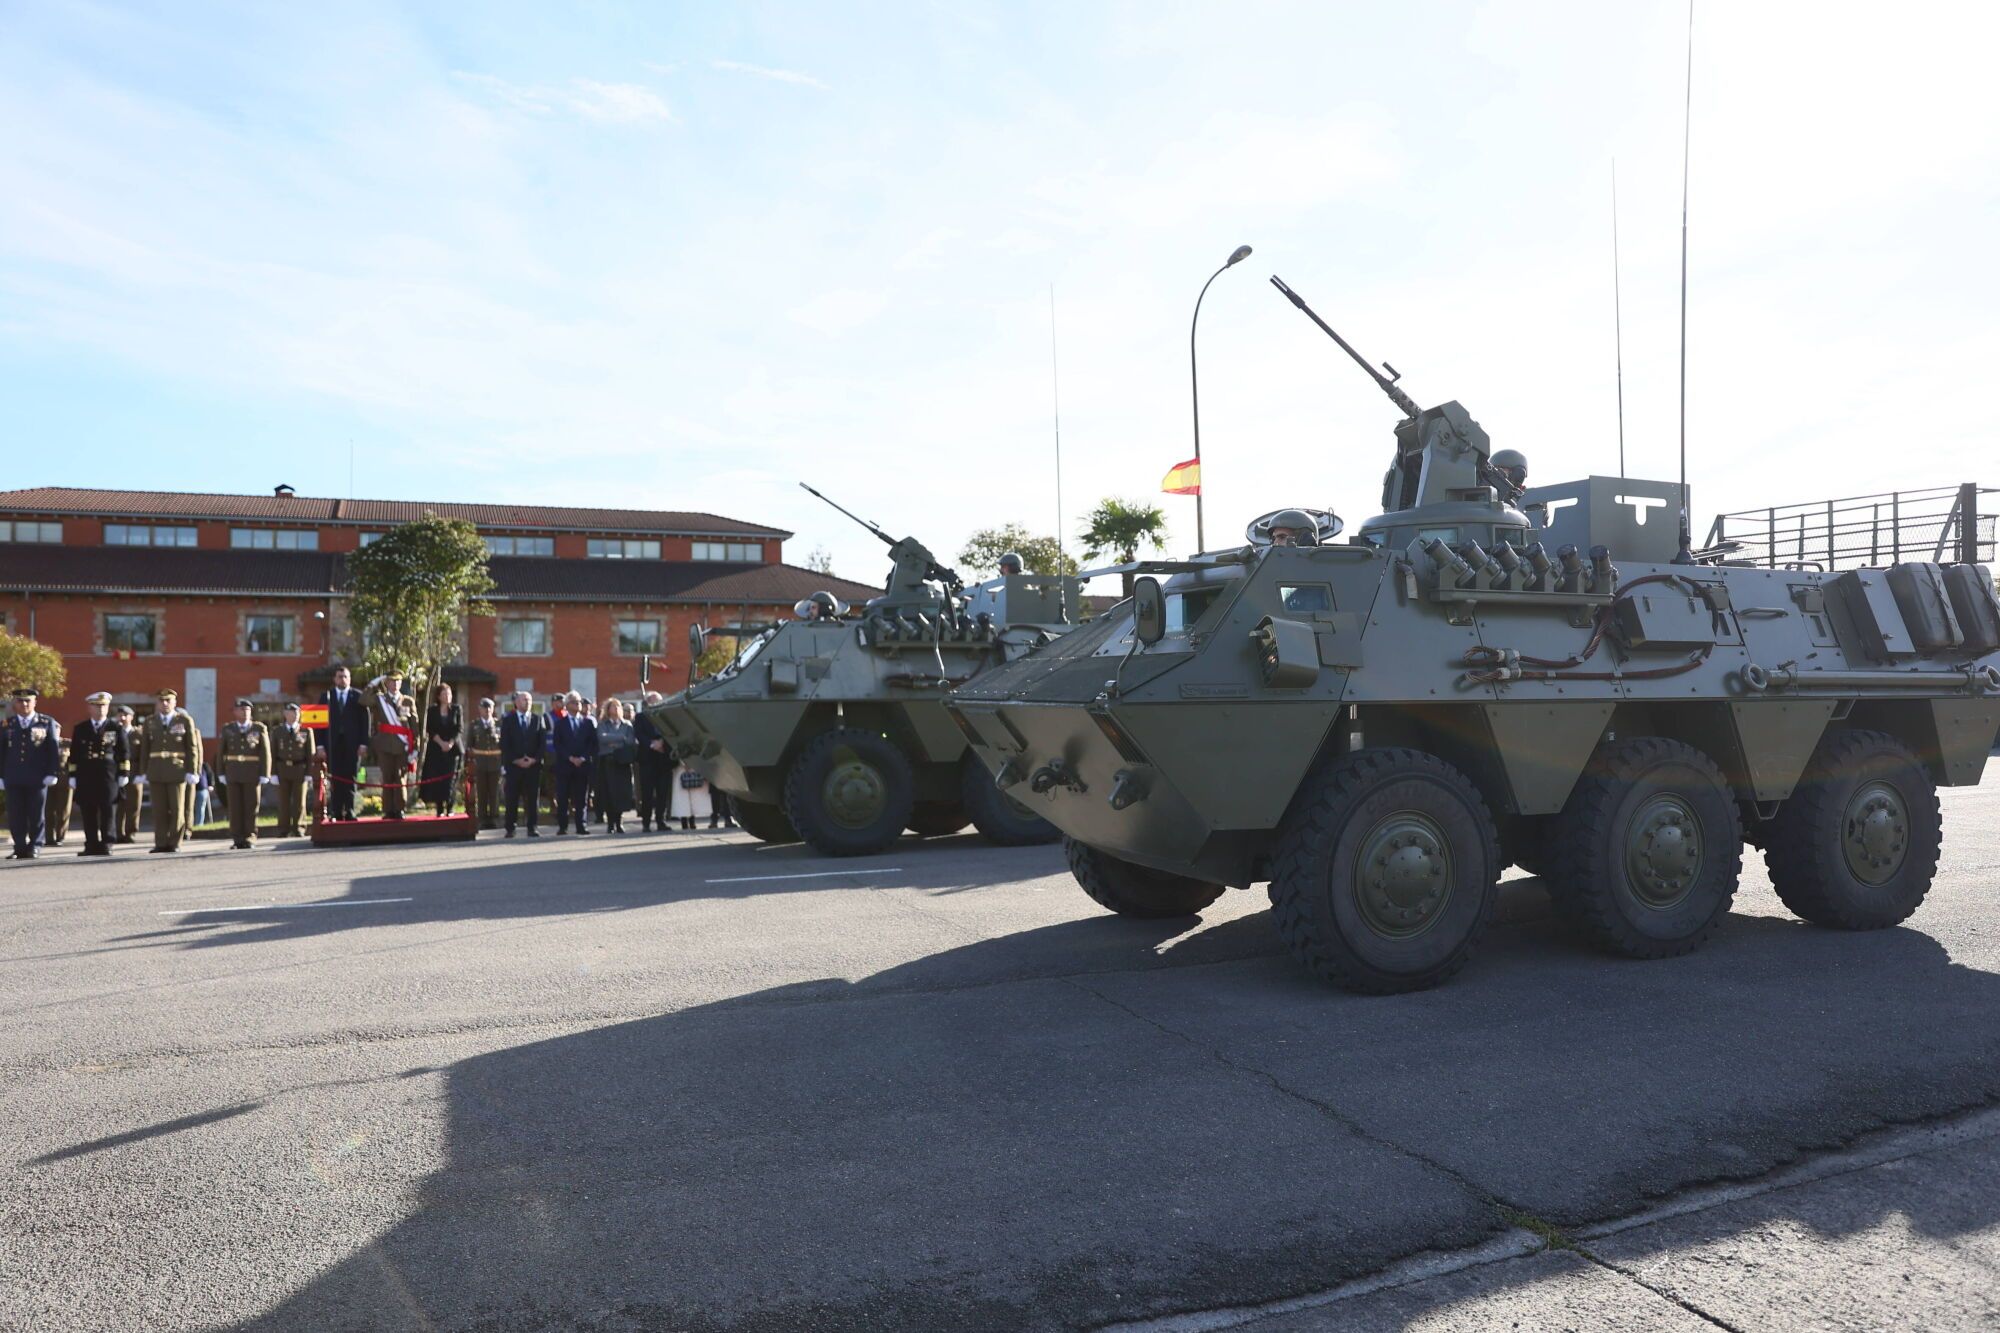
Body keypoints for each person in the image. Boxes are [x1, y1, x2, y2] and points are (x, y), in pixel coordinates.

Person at [135, 687, 200, 853]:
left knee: (177, 808)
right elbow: (144, 749)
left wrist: (192, 771)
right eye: (161, 701)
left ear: (175, 703)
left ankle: (175, 842)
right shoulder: (150, 721)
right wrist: (143, 771)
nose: (164, 704)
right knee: (159, 810)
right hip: (156, 770)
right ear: (157, 703)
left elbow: (192, 748)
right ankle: (160, 842)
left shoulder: (184, 721)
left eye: (168, 700)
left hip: (176, 770)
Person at [67, 691, 129, 857]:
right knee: (88, 810)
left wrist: (124, 772)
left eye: (104, 705)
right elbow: (74, 754)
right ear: (90, 707)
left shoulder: (115, 728)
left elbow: (123, 752)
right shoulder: (81, 728)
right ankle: (91, 844)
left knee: (108, 810)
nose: (101, 709)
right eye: (97, 705)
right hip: (86, 774)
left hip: (108, 775)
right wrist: (72, 775)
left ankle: (107, 842)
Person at [3, 687, 61, 859]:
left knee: (36, 814)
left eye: (28, 700)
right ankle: (19, 847)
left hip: (38, 778)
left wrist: (52, 772)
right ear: (15, 703)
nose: (24, 704)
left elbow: (52, 749)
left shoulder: (46, 722)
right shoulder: (7, 725)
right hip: (13, 777)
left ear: (35, 702)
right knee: (15, 814)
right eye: (20, 701)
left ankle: (35, 845)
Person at [219, 698, 273, 849]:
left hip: (252, 772)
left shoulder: (259, 728)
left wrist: (265, 772)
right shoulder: (228, 729)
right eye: (241, 709)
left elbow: (265, 752)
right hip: (233, 771)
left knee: (251, 806)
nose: (244, 712)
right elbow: (221, 752)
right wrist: (221, 772)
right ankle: (237, 839)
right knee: (235, 808)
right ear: (235, 712)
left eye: (247, 710)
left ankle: (250, 837)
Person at [367, 669, 418, 819]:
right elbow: (363, 700)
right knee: (387, 778)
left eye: (398, 681)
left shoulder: (408, 700)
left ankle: (400, 809)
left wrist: (416, 747)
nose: (395, 684)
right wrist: (375, 681)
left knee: (400, 778)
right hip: (384, 745)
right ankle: (388, 810)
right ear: (386, 683)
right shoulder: (379, 699)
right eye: (391, 681)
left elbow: (414, 725)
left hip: (402, 746)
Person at [320, 666, 370, 821]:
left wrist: (363, 743)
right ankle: (335, 811)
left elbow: (365, 722)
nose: (343, 679)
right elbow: (319, 724)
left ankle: (349, 810)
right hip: (332, 744)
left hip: (352, 745)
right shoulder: (326, 696)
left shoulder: (358, 697)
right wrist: (320, 745)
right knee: (335, 778)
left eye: (345, 677)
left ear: (350, 679)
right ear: (335, 679)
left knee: (350, 778)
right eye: (340, 677)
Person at [499, 690, 547, 838]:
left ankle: (532, 827)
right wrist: (515, 760)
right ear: (516, 702)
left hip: (533, 766)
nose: (527, 702)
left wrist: (534, 759)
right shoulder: (508, 720)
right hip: (514, 766)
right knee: (512, 798)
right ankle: (510, 828)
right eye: (524, 699)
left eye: (529, 700)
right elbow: (504, 743)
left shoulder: (537, 719)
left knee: (532, 799)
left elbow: (542, 743)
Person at [550, 690, 595, 834]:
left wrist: (582, 757)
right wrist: (570, 757)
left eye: (579, 702)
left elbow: (592, 743)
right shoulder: (560, 724)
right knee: (563, 797)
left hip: (582, 765)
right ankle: (563, 826)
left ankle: (581, 825)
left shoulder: (587, 723)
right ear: (567, 705)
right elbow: (558, 744)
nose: (578, 705)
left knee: (581, 797)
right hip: (565, 765)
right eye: (575, 702)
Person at [591, 699, 637, 833]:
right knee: (608, 792)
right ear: (608, 709)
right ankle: (610, 823)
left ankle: (619, 822)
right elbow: (602, 738)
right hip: (607, 761)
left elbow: (629, 741)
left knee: (621, 793)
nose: (616, 709)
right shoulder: (603, 724)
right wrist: (620, 738)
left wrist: (615, 741)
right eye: (613, 707)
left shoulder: (627, 725)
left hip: (622, 762)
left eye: (618, 707)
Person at [271, 703, 316, 836]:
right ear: (285, 714)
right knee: (283, 801)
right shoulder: (277, 731)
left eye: (297, 713)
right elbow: (273, 753)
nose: (295, 715)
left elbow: (310, 754)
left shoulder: (306, 731)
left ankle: (299, 828)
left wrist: (309, 772)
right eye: (292, 713)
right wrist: (273, 773)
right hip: (282, 768)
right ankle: (283, 829)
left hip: (299, 769)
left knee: (299, 801)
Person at [632, 691, 673, 832]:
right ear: (647, 703)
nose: (656, 704)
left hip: (663, 758)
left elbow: (670, 732)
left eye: (658, 701)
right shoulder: (640, 717)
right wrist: (651, 744)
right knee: (647, 793)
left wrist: (662, 743)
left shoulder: (665, 716)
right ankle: (646, 822)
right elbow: (639, 733)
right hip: (647, 759)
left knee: (663, 792)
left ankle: (661, 820)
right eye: (653, 701)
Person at [421, 683, 463, 816]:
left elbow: (459, 729)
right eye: (444, 694)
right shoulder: (432, 710)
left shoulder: (456, 709)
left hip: (453, 748)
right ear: (439, 696)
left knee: (451, 779)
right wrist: (440, 742)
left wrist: (450, 743)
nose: (447, 696)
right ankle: (439, 807)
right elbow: (430, 729)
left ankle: (450, 806)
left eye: (449, 694)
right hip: (436, 748)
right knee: (438, 778)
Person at [466, 697, 504, 830]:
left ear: (493, 709)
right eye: (484, 708)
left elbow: (503, 745)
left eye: (490, 708)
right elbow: (469, 745)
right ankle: (482, 818)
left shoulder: (499, 725)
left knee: (494, 792)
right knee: (481, 792)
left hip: (495, 763)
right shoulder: (474, 725)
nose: (487, 710)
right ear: (480, 709)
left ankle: (494, 817)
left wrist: (503, 764)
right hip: (480, 762)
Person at [113, 705, 141, 843]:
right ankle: (118, 832)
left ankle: (131, 833)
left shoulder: (138, 734)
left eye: (125, 715)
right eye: (120, 715)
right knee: (118, 805)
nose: (122, 718)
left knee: (134, 805)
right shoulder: (113, 733)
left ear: (132, 717)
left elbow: (143, 754)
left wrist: (142, 773)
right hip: (117, 773)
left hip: (135, 773)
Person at [42, 733, 73, 845]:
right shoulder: (44, 744)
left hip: (65, 781)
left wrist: (73, 778)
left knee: (64, 810)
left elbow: (74, 760)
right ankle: (49, 837)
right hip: (48, 781)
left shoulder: (67, 743)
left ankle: (60, 836)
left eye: (57, 729)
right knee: (48, 810)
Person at [672, 764, 711, 831]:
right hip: (682, 768)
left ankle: (690, 821)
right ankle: (686, 821)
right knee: (684, 797)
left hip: (685, 768)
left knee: (691, 798)